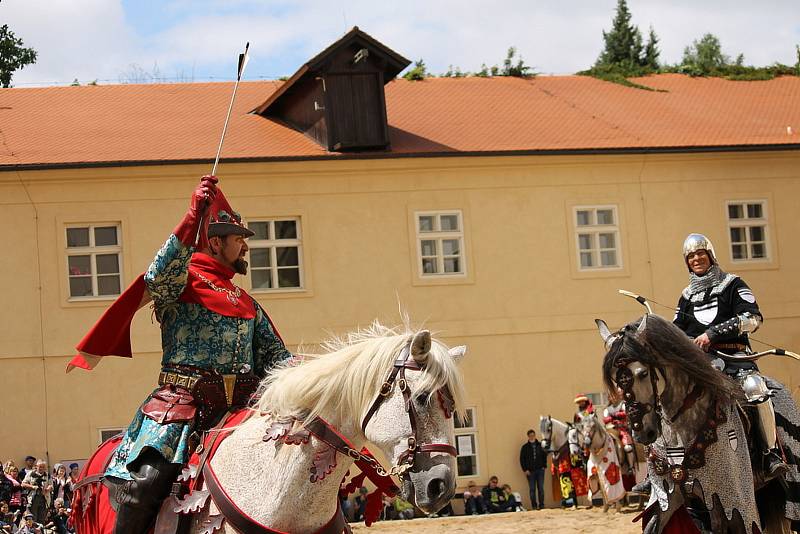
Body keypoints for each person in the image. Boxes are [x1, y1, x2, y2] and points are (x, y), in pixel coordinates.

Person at [100, 175, 293, 534]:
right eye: (239, 240)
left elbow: (279, 360)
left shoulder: (246, 302)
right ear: (216, 243)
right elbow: (156, 277)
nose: (246, 248)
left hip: (241, 412)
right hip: (181, 410)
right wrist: (191, 218)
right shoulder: (183, 282)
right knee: (142, 488)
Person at [674, 233, 787, 478]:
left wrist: (712, 334)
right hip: (703, 366)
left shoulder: (733, 284)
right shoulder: (686, 297)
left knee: (756, 388)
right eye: (691, 256)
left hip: (736, 361)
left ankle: (771, 454)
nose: (696, 259)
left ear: (711, 255)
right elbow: (676, 333)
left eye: (700, 253)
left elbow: (752, 319)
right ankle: (670, 465)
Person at [519, 429, 546, 510]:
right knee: (532, 489)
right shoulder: (524, 447)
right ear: (528, 436)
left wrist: (544, 466)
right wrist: (525, 469)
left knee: (541, 488)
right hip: (530, 471)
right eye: (530, 435)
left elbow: (544, 456)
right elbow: (522, 459)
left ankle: (541, 505)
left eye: (533, 435)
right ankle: (534, 506)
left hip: (540, 470)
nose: (532, 437)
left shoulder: (540, 445)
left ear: (535, 435)